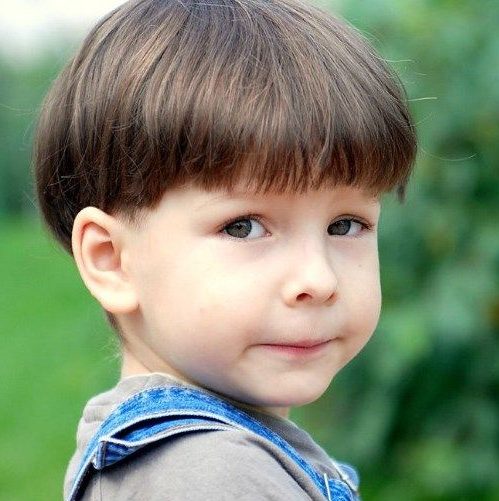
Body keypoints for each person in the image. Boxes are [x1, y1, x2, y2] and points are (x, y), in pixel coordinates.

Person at [33, 0, 417, 499]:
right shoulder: (209, 477)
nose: (319, 280)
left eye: (346, 225)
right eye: (243, 228)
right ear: (113, 261)